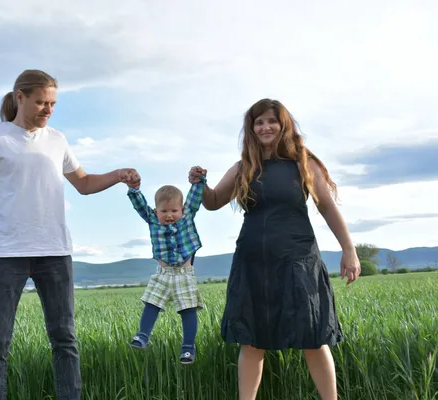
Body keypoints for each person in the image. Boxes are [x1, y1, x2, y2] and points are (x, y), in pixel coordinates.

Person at [0, 69, 141, 400]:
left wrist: (118, 174)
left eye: (53, 103)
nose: (48, 109)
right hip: (5, 255)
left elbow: (84, 183)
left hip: (55, 253)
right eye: (41, 102)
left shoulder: (57, 140)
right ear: (20, 97)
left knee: (65, 340)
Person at [188, 98, 361, 400]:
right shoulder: (244, 167)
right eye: (259, 122)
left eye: (271, 121)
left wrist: (349, 249)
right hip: (253, 262)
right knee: (252, 341)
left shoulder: (303, 164)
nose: (265, 127)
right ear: (251, 129)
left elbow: (328, 209)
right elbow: (214, 201)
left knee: (313, 338)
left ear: (283, 125)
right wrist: (200, 183)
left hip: (298, 261)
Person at [125, 174, 206, 364]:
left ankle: (188, 348)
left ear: (182, 209)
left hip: (184, 275)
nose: (169, 215)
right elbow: (140, 206)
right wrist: (134, 190)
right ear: (156, 211)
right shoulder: (153, 220)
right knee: (151, 303)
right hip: (163, 274)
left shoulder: (186, 217)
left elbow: (194, 199)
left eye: (174, 210)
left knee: (188, 309)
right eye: (164, 211)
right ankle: (143, 336)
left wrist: (198, 181)